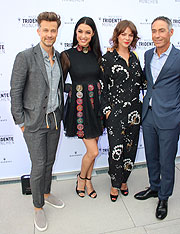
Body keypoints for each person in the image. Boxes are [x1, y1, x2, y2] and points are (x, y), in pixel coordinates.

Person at [10, 12, 64, 231]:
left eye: (53, 30)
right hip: (33, 122)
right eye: (45, 30)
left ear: (57, 32)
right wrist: (21, 122)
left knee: (49, 161)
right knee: (39, 165)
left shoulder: (59, 56)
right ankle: (37, 206)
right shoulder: (25, 57)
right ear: (38, 31)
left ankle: (46, 192)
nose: (49, 34)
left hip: (54, 119)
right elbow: (15, 91)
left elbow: (57, 88)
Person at [134, 16, 180, 220]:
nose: (157, 35)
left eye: (162, 30)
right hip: (149, 114)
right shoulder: (147, 54)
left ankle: (164, 196)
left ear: (171, 32)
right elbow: (148, 81)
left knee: (166, 160)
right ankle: (154, 187)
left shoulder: (179, 57)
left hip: (170, 117)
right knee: (151, 156)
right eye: (154, 31)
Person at [100, 20, 145, 202]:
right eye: (123, 34)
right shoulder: (108, 58)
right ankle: (114, 183)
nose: (127, 38)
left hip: (134, 111)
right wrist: (107, 110)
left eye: (130, 35)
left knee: (131, 148)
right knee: (116, 149)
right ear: (117, 35)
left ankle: (124, 180)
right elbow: (102, 87)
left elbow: (142, 82)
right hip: (116, 112)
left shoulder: (135, 57)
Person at [60, 17, 103, 199]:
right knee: (93, 151)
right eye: (80, 31)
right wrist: (77, 90)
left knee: (93, 150)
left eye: (87, 32)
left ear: (93, 34)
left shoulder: (98, 55)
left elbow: (104, 79)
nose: (83, 36)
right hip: (79, 108)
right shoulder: (67, 55)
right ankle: (81, 178)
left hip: (96, 107)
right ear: (75, 32)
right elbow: (60, 84)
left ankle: (88, 180)